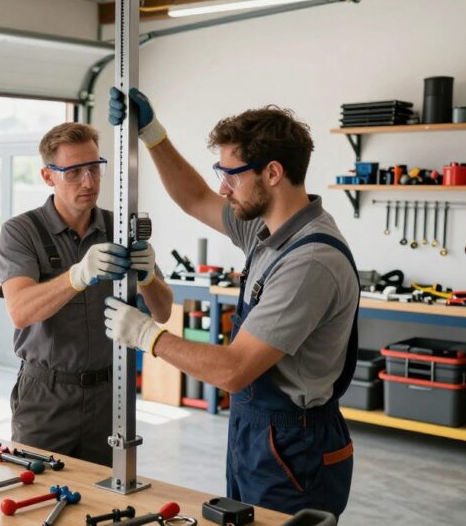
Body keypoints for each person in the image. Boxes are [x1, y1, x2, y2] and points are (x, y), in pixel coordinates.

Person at [104, 88, 359, 517]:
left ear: (273, 172)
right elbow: (195, 198)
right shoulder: (266, 230)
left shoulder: (309, 261)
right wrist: (151, 133)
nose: (223, 187)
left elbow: (234, 370)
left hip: (293, 447)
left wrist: (147, 335)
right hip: (258, 432)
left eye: (232, 174)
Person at [0, 121, 174, 466]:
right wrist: (78, 275)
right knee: (37, 499)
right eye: (74, 172)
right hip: (46, 396)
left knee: (106, 502)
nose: (89, 182)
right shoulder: (20, 232)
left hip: (111, 394)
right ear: (48, 176)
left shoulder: (119, 227)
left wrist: (149, 275)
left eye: (95, 168)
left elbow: (164, 311)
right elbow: (19, 311)